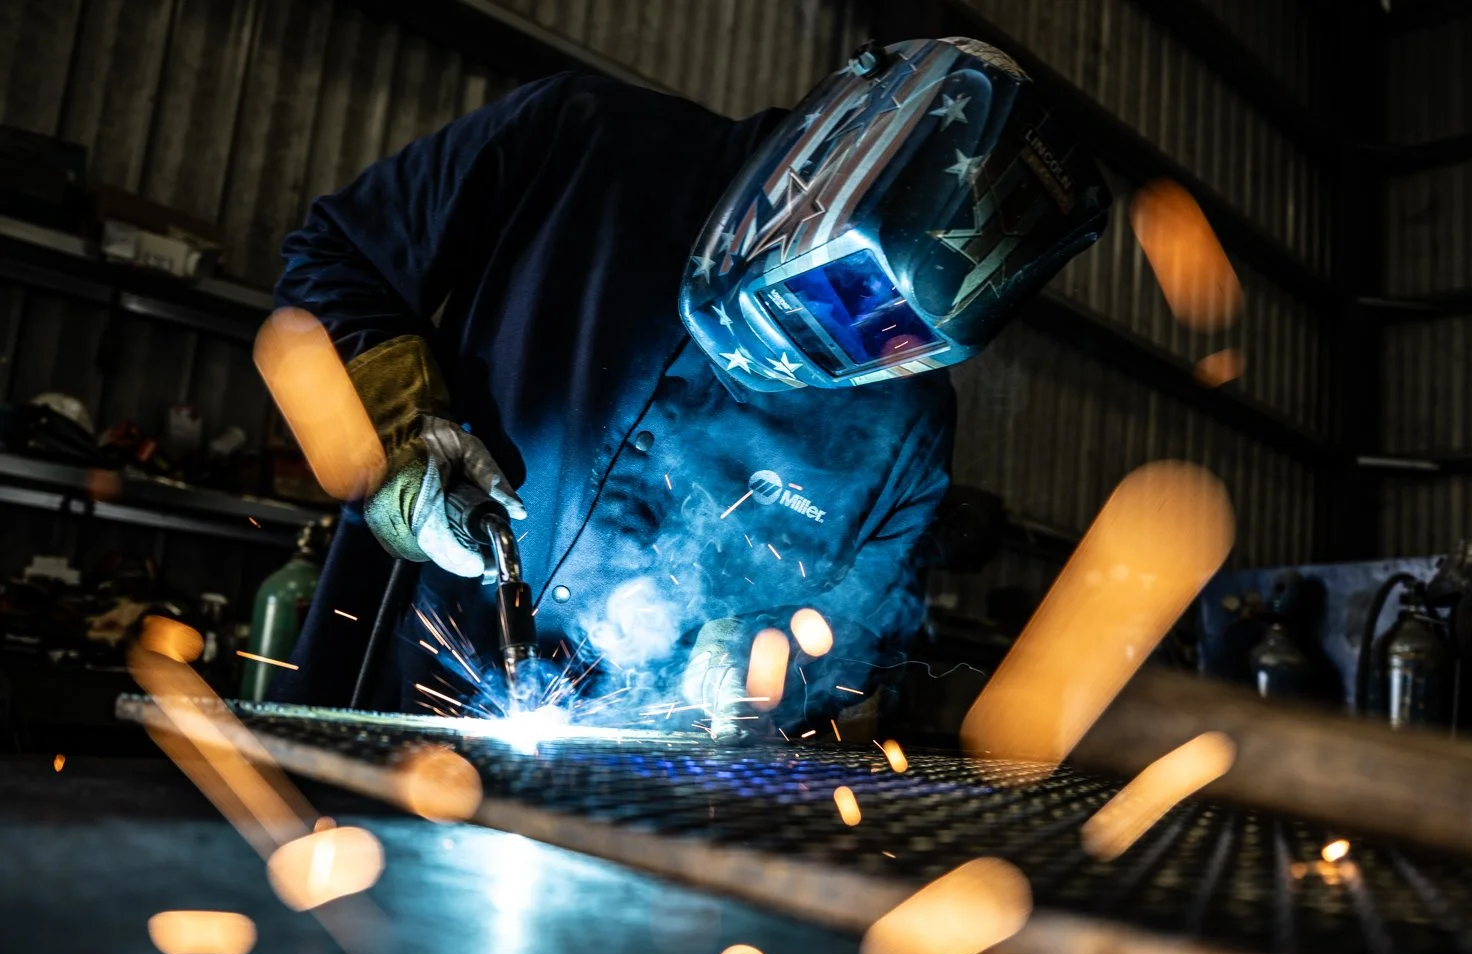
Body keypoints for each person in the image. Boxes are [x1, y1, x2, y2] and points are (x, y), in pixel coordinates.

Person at [270, 36, 1108, 737]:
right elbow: (337, 258)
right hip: (379, 719)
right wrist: (402, 433)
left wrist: (783, 665)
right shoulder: (575, 137)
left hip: (627, 823)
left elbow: (863, 632)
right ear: (824, 159)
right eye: (822, 287)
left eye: (881, 345)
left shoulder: (908, 426)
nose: (816, 350)